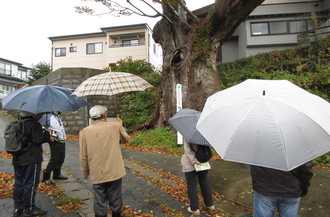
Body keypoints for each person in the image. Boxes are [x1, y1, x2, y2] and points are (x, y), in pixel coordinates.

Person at [79, 105, 130, 217]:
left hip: (97, 170)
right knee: (115, 196)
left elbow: (83, 155)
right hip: (114, 169)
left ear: (91, 117)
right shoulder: (115, 126)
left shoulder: (84, 131)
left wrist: (85, 172)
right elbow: (126, 139)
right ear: (105, 115)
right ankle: (116, 213)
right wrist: (120, 126)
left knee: (99, 198)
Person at [12, 111, 50, 217]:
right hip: (31, 159)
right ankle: (29, 208)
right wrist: (46, 133)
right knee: (31, 183)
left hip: (18, 158)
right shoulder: (34, 124)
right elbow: (38, 140)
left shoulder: (16, 124)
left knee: (19, 183)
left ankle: (18, 207)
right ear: (33, 114)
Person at [181, 141, 215, 216]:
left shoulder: (189, 135)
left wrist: (195, 161)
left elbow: (188, 150)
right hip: (203, 162)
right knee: (204, 182)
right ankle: (210, 205)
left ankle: (195, 209)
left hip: (190, 164)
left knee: (192, 185)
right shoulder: (203, 135)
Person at [39, 111, 68, 185]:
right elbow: (40, 126)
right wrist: (48, 133)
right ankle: (46, 177)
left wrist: (63, 124)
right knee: (55, 158)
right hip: (54, 140)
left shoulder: (56, 116)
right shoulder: (47, 116)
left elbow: (56, 127)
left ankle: (57, 174)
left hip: (61, 139)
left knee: (61, 158)